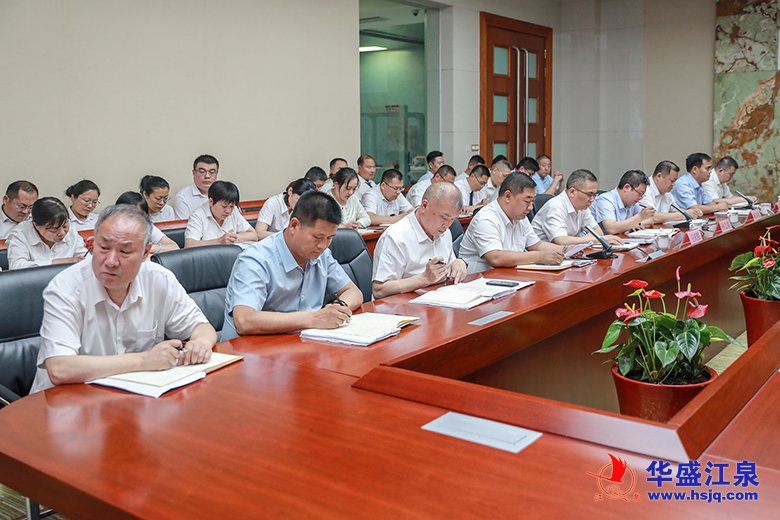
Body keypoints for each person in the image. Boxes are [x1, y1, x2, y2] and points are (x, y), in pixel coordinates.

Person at [29, 205, 217, 393]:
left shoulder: (159, 279)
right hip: (65, 400)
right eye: (103, 248)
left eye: (125, 252)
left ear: (145, 253)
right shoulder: (65, 287)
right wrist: (144, 360)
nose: (110, 261)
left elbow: (201, 327)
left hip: (134, 395)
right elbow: (60, 368)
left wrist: (200, 344)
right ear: (93, 245)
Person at [221, 191, 363, 340]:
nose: (323, 245)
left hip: (301, 342)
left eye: (330, 238)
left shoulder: (322, 255)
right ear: (294, 225)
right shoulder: (255, 259)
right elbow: (244, 320)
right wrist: (314, 318)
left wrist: (336, 311)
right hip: (252, 347)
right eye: (318, 237)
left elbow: (353, 292)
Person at [372, 182, 468, 299]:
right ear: (424, 205)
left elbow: (449, 267)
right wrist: (424, 279)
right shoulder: (395, 237)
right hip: (402, 305)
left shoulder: (445, 232)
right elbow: (379, 290)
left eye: (452, 219)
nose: (447, 225)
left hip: (438, 299)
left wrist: (457, 263)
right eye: (444, 217)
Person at [459, 172, 564, 274]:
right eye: (527, 201)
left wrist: (566, 250)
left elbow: (537, 245)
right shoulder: (486, 218)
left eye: (532, 201)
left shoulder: (520, 217)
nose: (531, 207)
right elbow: (495, 258)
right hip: (480, 279)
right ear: (508, 196)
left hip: (508, 276)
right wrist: (539, 256)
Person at [531, 169, 623, 245]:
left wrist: (587, 240)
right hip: (543, 257)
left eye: (594, 195)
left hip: (568, 254)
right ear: (572, 192)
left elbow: (598, 231)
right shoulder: (555, 206)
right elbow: (561, 241)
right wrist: (594, 239)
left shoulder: (582, 206)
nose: (592, 199)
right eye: (589, 194)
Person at [7, 197, 88, 270]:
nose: (62, 233)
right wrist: (56, 262)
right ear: (36, 225)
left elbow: (85, 258)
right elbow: (16, 267)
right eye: (54, 229)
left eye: (65, 226)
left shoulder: (71, 229)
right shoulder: (19, 234)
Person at [185, 181, 257, 248]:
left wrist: (233, 238)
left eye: (231, 206)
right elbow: (189, 245)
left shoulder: (234, 211)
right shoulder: (198, 215)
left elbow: (253, 235)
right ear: (211, 202)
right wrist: (219, 241)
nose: (228, 211)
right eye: (224, 206)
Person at [590, 170, 656, 234]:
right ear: (627, 187)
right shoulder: (605, 200)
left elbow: (650, 220)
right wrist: (639, 218)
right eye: (640, 194)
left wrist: (633, 224)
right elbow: (611, 228)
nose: (641, 197)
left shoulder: (632, 203)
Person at [173, 154, 219, 219]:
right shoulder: (182, 197)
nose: (207, 176)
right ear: (193, 173)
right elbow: (183, 225)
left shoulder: (223, 193)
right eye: (202, 171)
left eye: (212, 172)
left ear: (217, 173)